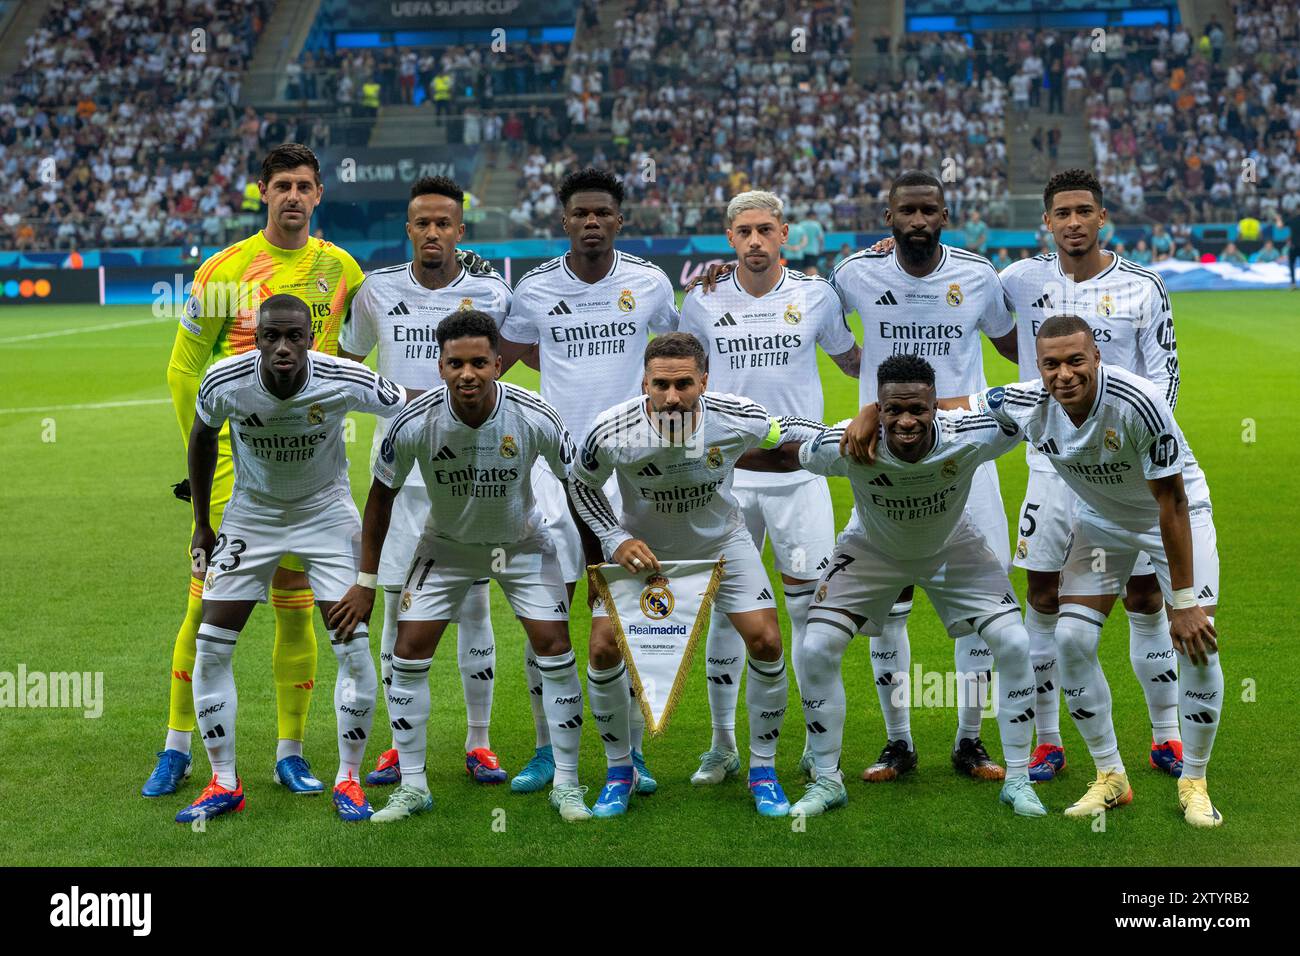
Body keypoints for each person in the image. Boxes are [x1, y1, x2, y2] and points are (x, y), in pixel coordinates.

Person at [146, 143, 365, 800]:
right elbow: (183, 368)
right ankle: (177, 746)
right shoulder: (225, 269)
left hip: (313, 480)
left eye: (304, 185)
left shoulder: (341, 269)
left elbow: (349, 361)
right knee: (205, 615)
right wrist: (206, 458)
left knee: (299, 614)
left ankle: (289, 753)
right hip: (238, 483)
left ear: (319, 194)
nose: (293, 196)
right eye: (281, 186)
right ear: (261, 193)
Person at [743, 355, 1045, 819]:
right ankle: (827, 779)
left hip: (953, 547)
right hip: (871, 550)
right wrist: (700, 454)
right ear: (878, 409)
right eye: (892, 410)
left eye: (918, 410)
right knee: (818, 646)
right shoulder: (850, 442)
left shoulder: (970, 433)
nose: (906, 421)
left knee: (1014, 641)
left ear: (935, 407)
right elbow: (783, 451)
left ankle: (1020, 780)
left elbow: (1033, 405)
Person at [329, 311, 593, 823]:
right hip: (445, 547)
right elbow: (379, 501)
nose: (467, 373)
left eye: (478, 362)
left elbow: (578, 486)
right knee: (407, 652)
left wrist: (598, 564)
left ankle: (567, 783)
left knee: (555, 649)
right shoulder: (414, 421)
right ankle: (412, 787)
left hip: (521, 543)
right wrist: (365, 581)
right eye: (455, 363)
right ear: (440, 365)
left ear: (498, 363)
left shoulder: (536, 414)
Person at [174, 295, 410, 824]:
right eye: (271, 336)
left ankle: (348, 780)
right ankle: (224, 781)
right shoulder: (223, 380)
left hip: (326, 514)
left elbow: (405, 409)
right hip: (251, 515)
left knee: (350, 645)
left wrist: (397, 477)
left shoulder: (343, 377)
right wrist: (202, 525)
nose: (283, 347)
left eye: (294, 337)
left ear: (309, 338)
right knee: (211, 646)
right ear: (256, 338)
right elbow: (202, 437)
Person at [568, 333, 824, 818]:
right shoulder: (611, 429)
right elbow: (581, 485)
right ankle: (620, 769)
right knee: (602, 649)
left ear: (703, 381)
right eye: (660, 384)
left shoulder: (734, 415)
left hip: (722, 544)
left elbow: (788, 428)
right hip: (644, 554)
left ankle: (763, 771)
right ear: (644, 381)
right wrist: (611, 538)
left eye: (684, 383)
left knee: (767, 641)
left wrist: (849, 429)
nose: (671, 396)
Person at [827, 170, 1019, 783]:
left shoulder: (979, 276)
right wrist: (867, 400)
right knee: (887, 608)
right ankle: (899, 742)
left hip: (964, 457)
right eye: (906, 211)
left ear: (945, 214)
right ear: (889, 218)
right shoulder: (856, 273)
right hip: (884, 459)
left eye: (928, 210)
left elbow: (1013, 346)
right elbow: (824, 330)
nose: (917, 221)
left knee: (983, 605)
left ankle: (970, 740)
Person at [495, 167, 680, 794]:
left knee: (623, 615)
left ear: (619, 220)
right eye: (581, 214)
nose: (592, 223)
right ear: (565, 220)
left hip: (629, 476)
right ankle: (548, 748)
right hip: (552, 472)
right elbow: (508, 353)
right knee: (546, 611)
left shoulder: (649, 283)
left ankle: (630, 751)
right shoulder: (535, 289)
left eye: (603, 213)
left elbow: (680, 345)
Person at [999, 168, 1185, 782]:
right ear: (1046, 222)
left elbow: (1165, 380)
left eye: (1085, 211)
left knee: (1143, 595)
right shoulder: (1020, 280)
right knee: (1045, 596)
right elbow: (961, 297)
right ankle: (1049, 740)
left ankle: (1167, 735)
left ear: (1102, 218)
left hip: (1122, 473)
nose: (1074, 223)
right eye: (1062, 213)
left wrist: (1134, 448)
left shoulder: (1143, 286)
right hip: (1050, 466)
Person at [338, 176, 517, 788]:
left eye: (445, 223)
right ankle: (397, 741)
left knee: (472, 606)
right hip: (400, 478)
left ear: (460, 231)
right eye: (423, 223)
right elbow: (348, 363)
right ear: (408, 229)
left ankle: (480, 742)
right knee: (395, 606)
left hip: (471, 479)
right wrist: (392, 401)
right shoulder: (377, 291)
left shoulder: (491, 291)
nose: (433, 233)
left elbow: (501, 366)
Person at [677, 190, 860, 784]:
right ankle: (723, 745)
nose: (755, 241)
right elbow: (678, 379)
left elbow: (855, 361)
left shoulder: (816, 295)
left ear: (785, 234)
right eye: (743, 232)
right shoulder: (702, 300)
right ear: (729, 239)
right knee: (728, 611)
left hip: (801, 480)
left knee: (811, 611)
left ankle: (815, 744)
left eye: (765, 230)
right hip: (726, 484)